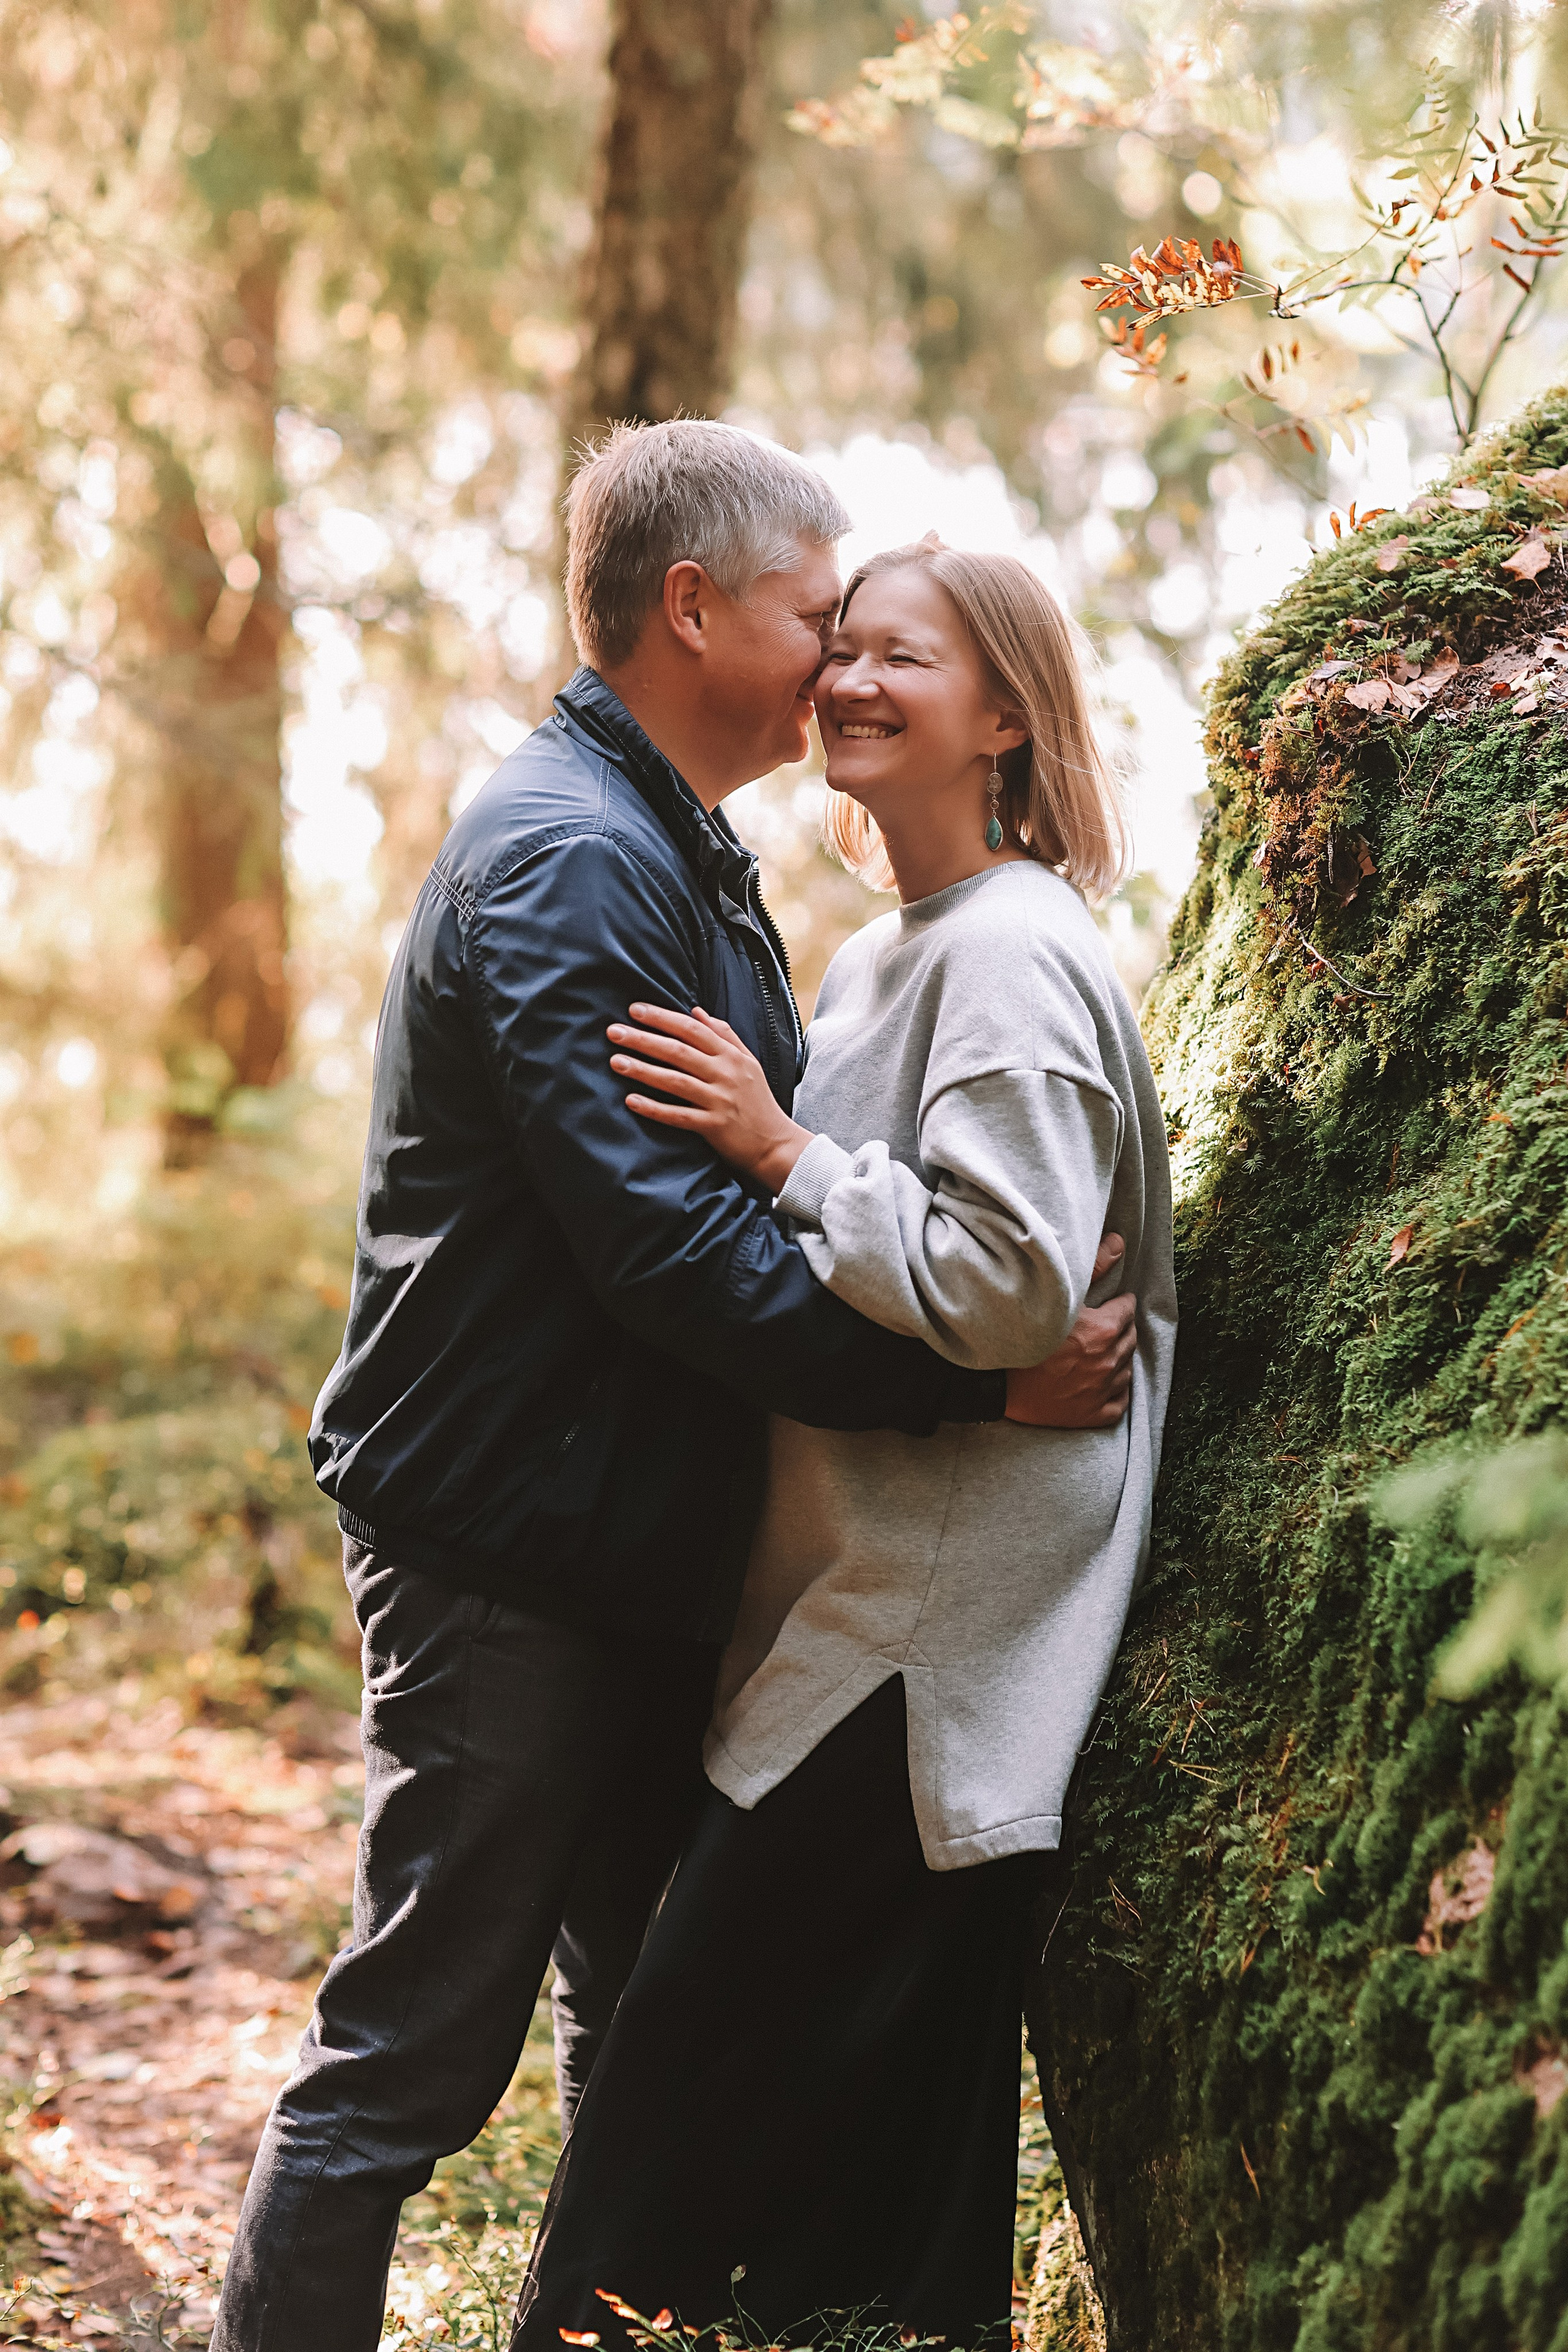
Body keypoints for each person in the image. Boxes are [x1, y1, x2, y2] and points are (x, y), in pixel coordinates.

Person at [210, 429, 1137, 2352]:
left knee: (636, 2041)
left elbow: (795, 1205)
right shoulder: (569, 859)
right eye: (818, 616)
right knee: (407, 2060)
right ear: (693, 607)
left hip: (625, 1552)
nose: (831, 666)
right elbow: (674, 1250)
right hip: (512, 1556)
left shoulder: (678, 849)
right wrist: (969, 1397)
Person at [511, 539, 1177, 2352]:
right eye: (847, 651)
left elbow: (1010, 1292)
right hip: (852, 1606)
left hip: (922, 1650)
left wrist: (781, 1151)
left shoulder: (1021, 956)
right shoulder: (896, 952)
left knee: (659, 2172)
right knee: (869, 2192)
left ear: (1009, 718)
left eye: (908, 658)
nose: (853, 684)